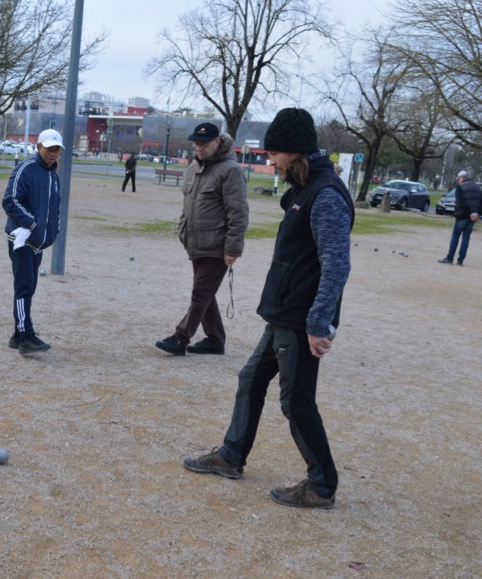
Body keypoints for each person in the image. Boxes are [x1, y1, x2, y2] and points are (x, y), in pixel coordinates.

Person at [182, 108, 354, 509]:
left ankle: (322, 485)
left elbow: (336, 264)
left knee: (296, 402)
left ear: (296, 151)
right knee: (250, 379)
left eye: (274, 153)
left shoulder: (326, 194)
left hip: (300, 319)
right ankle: (231, 456)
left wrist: (318, 321)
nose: (269, 161)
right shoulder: (304, 188)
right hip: (282, 312)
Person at [154, 122, 249, 356]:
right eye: (196, 143)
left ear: (218, 142)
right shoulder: (194, 167)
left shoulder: (230, 170)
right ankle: (215, 340)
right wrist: (182, 229)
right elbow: (188, 205)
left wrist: (233, 248)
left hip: (217, 245)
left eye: (204, 144)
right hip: (196, 243)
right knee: (205, 293)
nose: (199, 148)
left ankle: (180, 338)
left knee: (200, 294)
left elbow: (238, 212)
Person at [2, 129, 63, 354]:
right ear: (38, 147)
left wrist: (52, 232)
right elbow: (10, 201)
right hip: (21, 238)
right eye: (49, 149)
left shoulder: (53, 176)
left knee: (30, 286)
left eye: (56, 150)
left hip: (38, 241)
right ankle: (26, 335)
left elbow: (55, 207)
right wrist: (33, 225)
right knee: (24, 286)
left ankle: (17, 335)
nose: (52, 153)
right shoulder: (26, 169)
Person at [438, 170, 482, 266]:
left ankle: (450, 258)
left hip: (462, 215)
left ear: (461, 178)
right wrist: (477, 214)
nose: (458, 181)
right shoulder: (478, 188)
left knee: (455, 236)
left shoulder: (460, 187)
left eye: (458, 179)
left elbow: (461, 203)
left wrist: (470, 213)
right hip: (473, 217)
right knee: (466, 238)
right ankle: (460, 260)